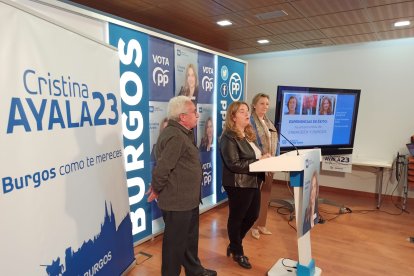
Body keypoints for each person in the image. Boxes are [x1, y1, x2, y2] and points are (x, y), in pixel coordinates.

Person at [146, 96, 216, 276]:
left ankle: (194, 271)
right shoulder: (175, 136)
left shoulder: (183, 132)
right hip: (177, 203)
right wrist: (156, 188)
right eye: (194, 111)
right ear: (182, 116)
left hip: (188, 200)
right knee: (174, 247)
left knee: (189, 241)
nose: (198, 115)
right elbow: (163, 167)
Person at [219, 101, 270, 269]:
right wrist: (258, 161)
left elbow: (250, 157)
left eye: (247, 111)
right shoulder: (228, 137)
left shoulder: (247, 134)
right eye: (242, 111)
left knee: (253, 215)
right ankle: (238, 252)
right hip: (238, 183)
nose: (247, 113)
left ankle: (234, 244)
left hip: (252, 181)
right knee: (237, 217)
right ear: (233, 117)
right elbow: (234, 164)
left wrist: (264, 157)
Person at [249, 93, 278, 240]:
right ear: (254, 105)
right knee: (256, 197)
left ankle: (262, 224)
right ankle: (253, 226)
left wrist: (276, 157)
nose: (265, 106)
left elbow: (275, 141)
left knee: (266, 195)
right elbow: (251, 144)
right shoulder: (250, 122)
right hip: (259, 164)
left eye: (267, 103)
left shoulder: (269, 122)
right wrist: (262, 157)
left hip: (270, 163)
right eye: (262, 103)